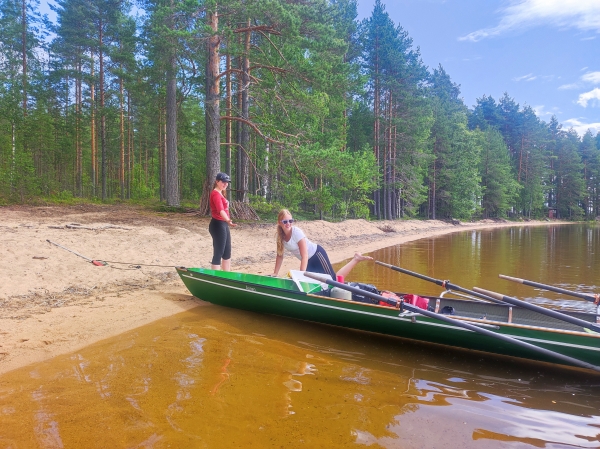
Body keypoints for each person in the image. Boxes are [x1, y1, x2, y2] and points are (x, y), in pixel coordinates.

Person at [271, 208, 372, 278]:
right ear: (279, 222)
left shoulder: (296, 232)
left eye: (290, 221)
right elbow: (280, 256)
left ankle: (356, 259)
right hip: (308, 261)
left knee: (333, 280)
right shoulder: (280, 237)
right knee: (314, 282)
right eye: (285, 221)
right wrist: (275, 273)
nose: (288, 223)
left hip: (317, 255)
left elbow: (304, 255)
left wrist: (301, 274)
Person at [209, 172, 236, 270]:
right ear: (217, 181)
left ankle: (226, 276)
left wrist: (227, 222)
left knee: (227, 252)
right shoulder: (215, 194)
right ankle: (216, 278)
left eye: (227, 182)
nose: (225, 184)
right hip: (217, 224)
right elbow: (220, 210)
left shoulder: (220, 192)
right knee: (218, 253)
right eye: (223, 182)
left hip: (223, 224)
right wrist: (228, 220)